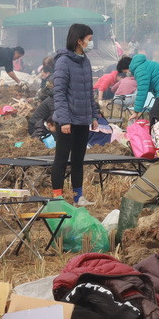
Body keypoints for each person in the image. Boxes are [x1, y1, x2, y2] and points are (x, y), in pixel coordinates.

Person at [51, 24, 100, 207]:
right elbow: (60, 93)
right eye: (89, 39)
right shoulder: (63, 61)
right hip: (67, 120)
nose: (91, 42)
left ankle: (78, 197)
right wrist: (64, 120)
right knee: (61, 160)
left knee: (78, 160)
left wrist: (94, 116)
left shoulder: (85, 60)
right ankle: (57, 198)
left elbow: (89, 92)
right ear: (79, 40)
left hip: (83, 119)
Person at [118, 53, 159, 123]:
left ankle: (154, 133)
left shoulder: (139, 70)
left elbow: (142, 91)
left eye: (126, 72)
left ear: (127, 68)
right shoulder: (144, 64)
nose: (128, 74)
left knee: (154, 115)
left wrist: (136, 111)